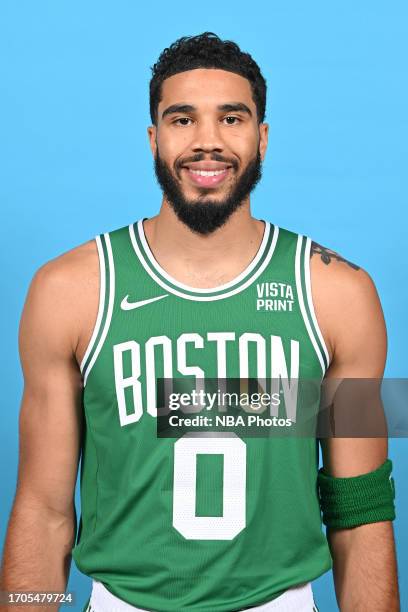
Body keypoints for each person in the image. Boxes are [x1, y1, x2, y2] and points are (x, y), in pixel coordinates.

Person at [0, 32, 399, 612]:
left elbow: (360, 506)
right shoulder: (67, 291)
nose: (207, 142)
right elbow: (44, 508)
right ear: (153, 138)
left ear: (262, 138)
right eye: (182, 120)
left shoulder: (339, 293)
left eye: (231, 118)